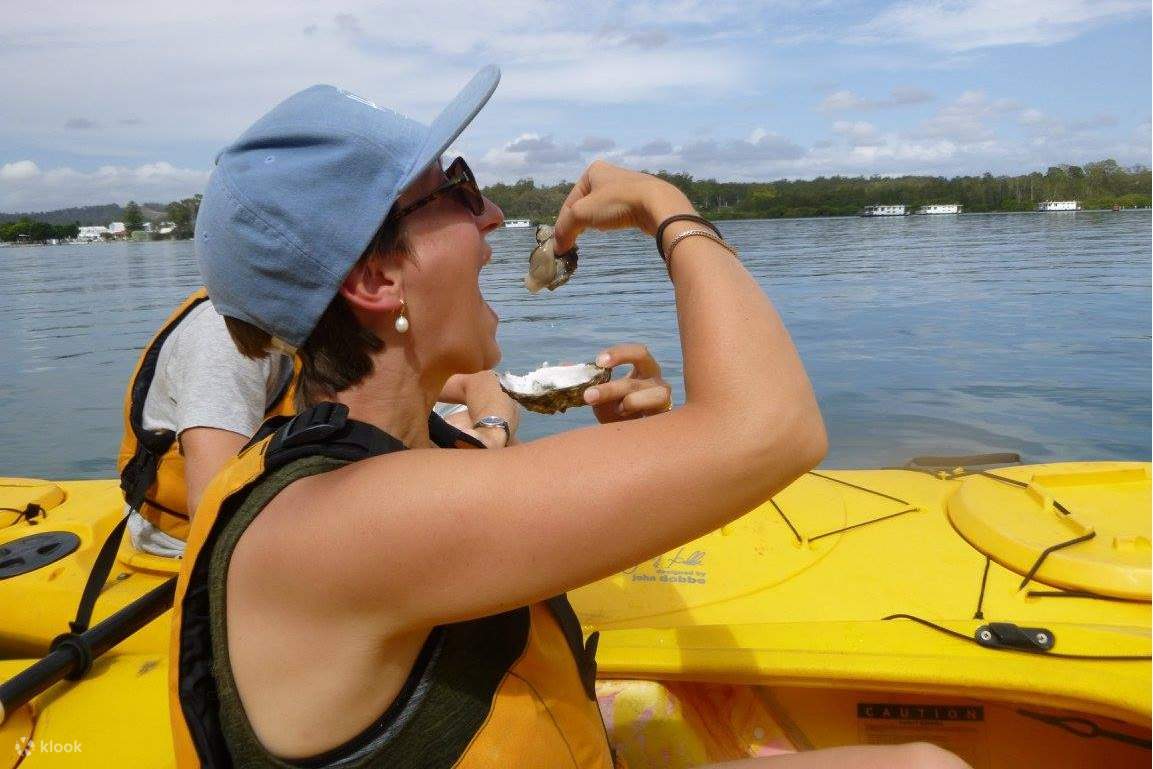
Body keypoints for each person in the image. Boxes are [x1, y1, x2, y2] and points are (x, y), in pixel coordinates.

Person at [169, 68, 969, 769]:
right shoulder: (335, 526)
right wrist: (665, 206)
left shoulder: (390, 462)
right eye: (457, 190)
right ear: (378, 276)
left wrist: (655, 451)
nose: (488, 219)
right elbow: (776, 428)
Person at [115, 294, 522, 557]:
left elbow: (482, 381)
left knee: (465, 433)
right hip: (185, 538)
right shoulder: (223, 342)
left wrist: (489, 435)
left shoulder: (325, 322)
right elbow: (215, 516)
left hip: (304, 488)